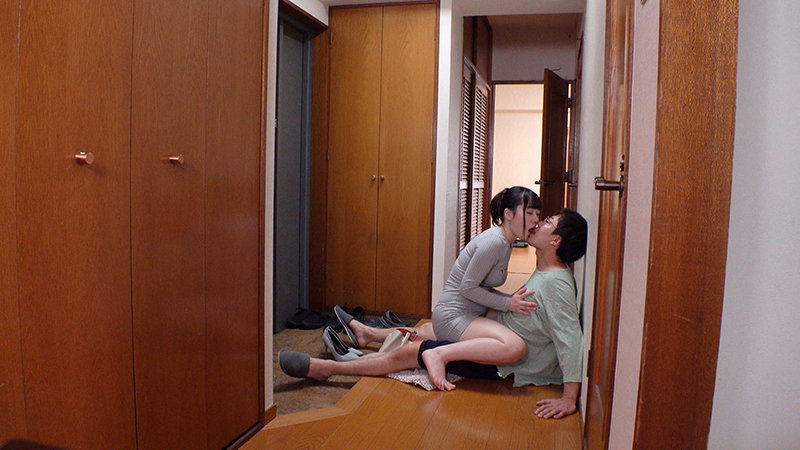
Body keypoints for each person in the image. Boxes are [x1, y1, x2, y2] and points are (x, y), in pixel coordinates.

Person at [281, 209, 588, 419]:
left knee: (412, 353)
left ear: (555, 241)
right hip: (500, 338)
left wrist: (569, 397)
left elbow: (570, 338)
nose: (538, 222)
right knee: (431, 328)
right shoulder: (546, 271)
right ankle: (369, 334)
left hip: (504, 362)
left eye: (548, 221)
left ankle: (327, 368)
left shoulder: (556, 283)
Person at [335, 186, 541, 368]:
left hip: (464, 312)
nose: (535, 220)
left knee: (426, 332)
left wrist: (509, 301)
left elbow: (482, 287)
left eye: (538, 214)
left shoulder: (505, 242)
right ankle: (351, 363)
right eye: (529, 212)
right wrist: (507, 303)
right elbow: (468, 288)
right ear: (508, 214)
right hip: (454, 316)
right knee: (510, 344)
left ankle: (367, 335)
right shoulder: (494, 242)